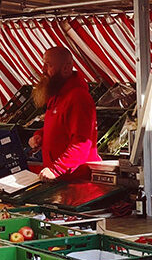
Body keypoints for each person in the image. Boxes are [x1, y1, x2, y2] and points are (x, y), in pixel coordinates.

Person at [28, 47, 100, 181]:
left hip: (76, 181)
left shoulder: (78, 97)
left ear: (66, 68)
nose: (43, 70)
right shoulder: (57, 95)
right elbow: (61, 126)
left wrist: (57, 169)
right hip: (59, 178)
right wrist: (40, 135)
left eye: (48, 65)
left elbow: (81, 143)